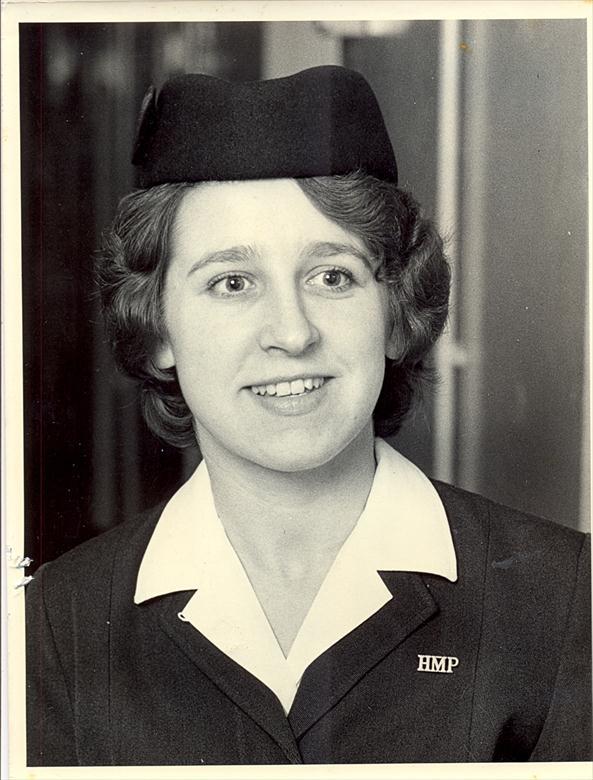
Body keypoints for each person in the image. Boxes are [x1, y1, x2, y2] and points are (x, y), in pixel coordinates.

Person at [26, 66, 591, 766]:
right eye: (231, 283)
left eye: (332, 277)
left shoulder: (564, 598)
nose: (291, 333)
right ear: (157, 327)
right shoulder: (56, 621)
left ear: (393, 312)